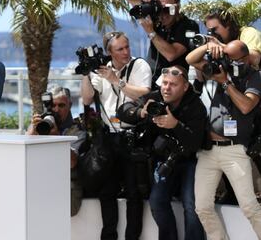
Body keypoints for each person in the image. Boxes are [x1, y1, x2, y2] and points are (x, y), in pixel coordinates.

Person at [119, 65, 206, 240]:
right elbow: (122, 111)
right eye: (164, 83)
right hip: (165, 159)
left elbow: (196, 142)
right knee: (157, 201)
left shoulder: (195, 105)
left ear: (185, 86)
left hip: (190, 159)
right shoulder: (154, 99)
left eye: (173, 84)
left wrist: (176, 125)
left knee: (191, 205)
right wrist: (140, 112)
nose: (166, 88)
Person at [186, 40, 261, 239]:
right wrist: (209, 46)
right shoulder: (219, 69)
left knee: (250, 207)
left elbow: (246, 106)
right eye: (226, 57)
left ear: (245, 59)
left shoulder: (254, 77)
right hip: (208, 151)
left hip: (234, 150)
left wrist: (225, 83)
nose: (228, 63)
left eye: (233, 59)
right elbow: (190, 59)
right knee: (202, 207)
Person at [81, 31, 152, 240]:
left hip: (134, 135)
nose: (126, 52)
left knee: (133, 193)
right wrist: (87, 72)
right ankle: (108, 236)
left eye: (127, 47)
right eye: (120, 49)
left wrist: (116, 80)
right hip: (109, 137)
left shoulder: (139, 65)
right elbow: (86, 99)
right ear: (109, 52)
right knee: (107, 192)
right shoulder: (100, 70)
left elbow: (142, 92)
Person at [122, 0, 199, 90]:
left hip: (172, 86)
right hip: (150, 83)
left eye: (168, 9)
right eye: (160, 9)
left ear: (177, 7)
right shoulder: (156, 18)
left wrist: (151, 32)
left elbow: (171, 54)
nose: (163, 14)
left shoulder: (188, 25)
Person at [27, 86, 86, 216]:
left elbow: (71, 162)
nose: (56, 110)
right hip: (42, 180)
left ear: (70, 105)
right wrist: (31, 133)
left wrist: (57, 138)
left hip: (66, 183)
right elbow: (23, 157)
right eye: (52, 105)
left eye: (61, 105)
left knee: (65, 210)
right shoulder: (40, 126)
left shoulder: (78, 130)